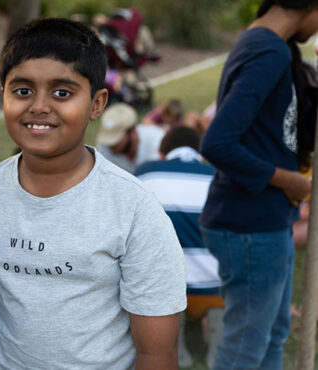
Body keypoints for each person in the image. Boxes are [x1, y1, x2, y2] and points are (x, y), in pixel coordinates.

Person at [0, 18, 186, 369]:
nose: (39, 106)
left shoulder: (134, 210)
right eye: (22, 90)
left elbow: (156, 353)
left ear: (96, 103)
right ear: (3, 95)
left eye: (62, 92)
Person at [199, 1, 318, 369]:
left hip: (266, 221)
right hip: (250, 225)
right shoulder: (268, 51)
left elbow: (264, 132)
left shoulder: (271, 45)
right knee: (244, 350)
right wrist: (287, 180)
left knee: (273, 335)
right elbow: (217, 143)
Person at [134, 126, 223, 368]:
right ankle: (218, 338)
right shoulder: (218, 176)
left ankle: (175, 343)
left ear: (162, 153)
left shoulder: (145, 173)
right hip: (215, 289)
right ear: (199, 154)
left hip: (166, 291)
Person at [96, 102, 165, 173]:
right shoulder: (105, 145)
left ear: (133, 131)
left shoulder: (158, 141)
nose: (111, 144)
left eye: (116, 137)